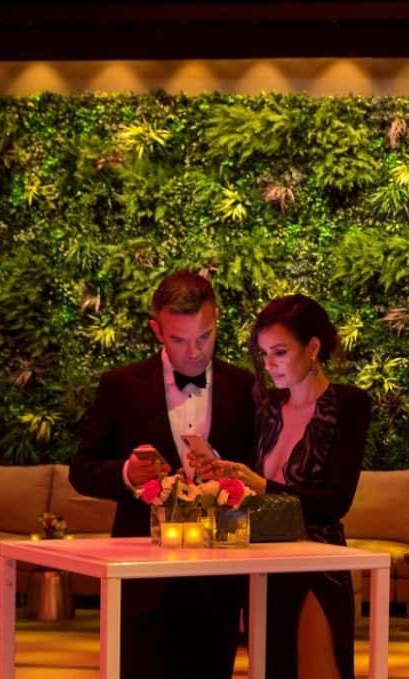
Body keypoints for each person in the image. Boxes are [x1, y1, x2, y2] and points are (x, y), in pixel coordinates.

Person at [69, 272, 259, 679]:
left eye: (204, 337)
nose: (194, 352)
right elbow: (81, 471)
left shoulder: (247, 388)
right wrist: (127, 473)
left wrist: (231, 474)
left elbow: (261, 476)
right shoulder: (120, 385)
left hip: (218, 581)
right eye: (179, 340)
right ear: (157, 330)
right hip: (141, 579)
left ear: (217, 319)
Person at [199, 294, 371, 679]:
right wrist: (223, 473)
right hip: (260, 568)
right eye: (264, 354)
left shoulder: (347, 405)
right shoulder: (267, 407)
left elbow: (335, 502)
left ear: (313, 347)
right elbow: (249, 485)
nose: (270, 364)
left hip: (315, 567)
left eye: (279, 351)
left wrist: (261, 484)